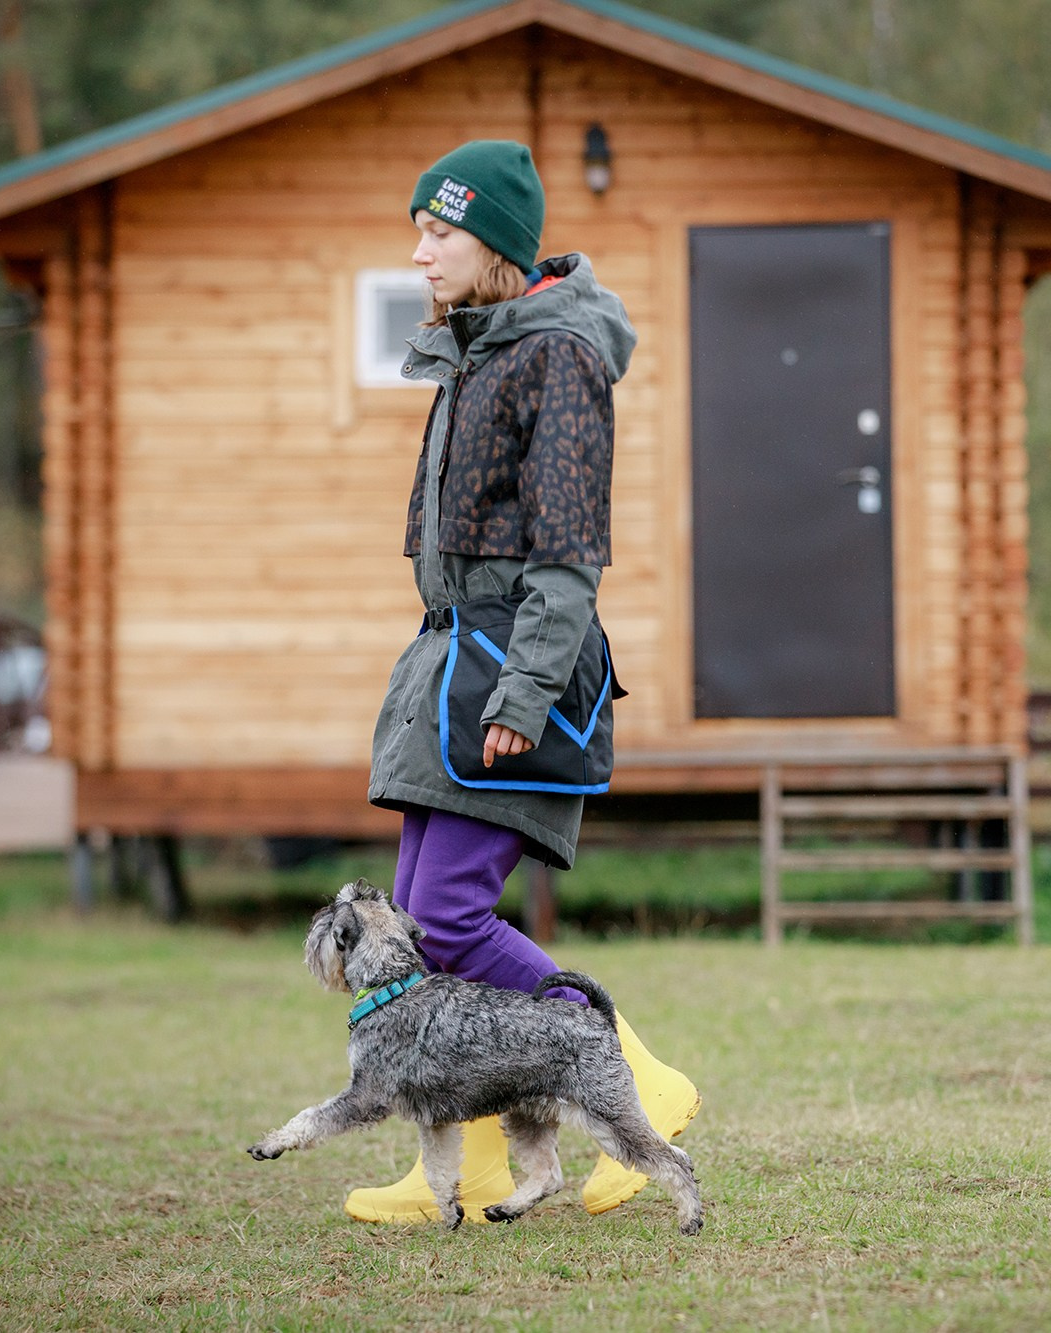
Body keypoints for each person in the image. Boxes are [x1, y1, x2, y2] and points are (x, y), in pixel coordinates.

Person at [353, 140, 699, 1224]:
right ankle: (468, 1168)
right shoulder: (479, 349)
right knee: (415, 916)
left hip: (517, 668)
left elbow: (567, 555)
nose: (418, 251)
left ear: (493, 243)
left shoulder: (557, 356)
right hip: (454, 656)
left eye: (437, 231)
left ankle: (639, 1087)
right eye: (417, 229)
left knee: (448, 919)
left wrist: (522, 697)